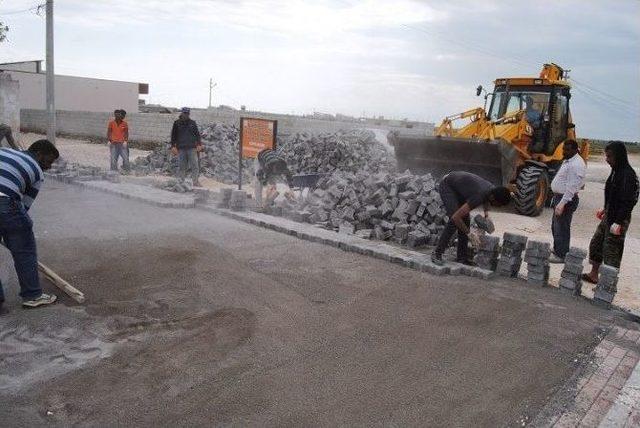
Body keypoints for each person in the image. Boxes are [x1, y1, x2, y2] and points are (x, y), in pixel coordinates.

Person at [0, 139, 60, 308]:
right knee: (24, 250)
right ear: (38, 154)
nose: (48, 167)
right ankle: (33, 295)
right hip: (5, 202)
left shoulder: (4, 151)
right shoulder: (37, 171)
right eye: (48, 161)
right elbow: (23, 207)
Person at [582, 141, 638, 286]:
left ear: (618, 156)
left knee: (612, 251)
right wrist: (605, 208)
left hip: (619, 218)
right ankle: (594, 275)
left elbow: (628, 201)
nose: (607, 159)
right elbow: (613, 195)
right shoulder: (615, 171)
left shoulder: (628, 175)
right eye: (606, 156)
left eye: (610, 157)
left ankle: (608, 284)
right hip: (609, 214)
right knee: (596, 244)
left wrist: (618, 222)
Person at [431, 171, 512, 266]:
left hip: (459, 188)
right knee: (454, 221)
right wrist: (469, 234)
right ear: (494, 199)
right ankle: (437, 253)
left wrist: (486, 215)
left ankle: (462, 258)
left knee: (465, 221)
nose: (499, 207)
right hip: (448, 185)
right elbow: (456, 217)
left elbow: (486, 199)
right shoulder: (479, 196)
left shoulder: (492, 190)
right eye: (499, 205)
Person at [549, 140, 587, 263]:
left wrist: (562, 203)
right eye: (564, 149)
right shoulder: (569, 160)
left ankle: (561, 255)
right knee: (556, 226)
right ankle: (557, 249)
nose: (565, 151)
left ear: (576, 150)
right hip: (560, 197)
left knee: (562, 227)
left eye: (568, 149)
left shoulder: (576, 164)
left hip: (566, 200)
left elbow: (572, 187)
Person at [170, 107, 203, 186]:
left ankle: (195, 181)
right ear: (181, 113)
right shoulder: (177, 123)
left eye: (187, 113)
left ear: (189, 114)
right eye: (184, 113)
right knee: (182, 166)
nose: (186, 115)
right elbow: (173, 136)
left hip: (192, 148)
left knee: (195, 165)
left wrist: (199, 144)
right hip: (181, 148)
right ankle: (181, 181)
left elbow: (197, 135)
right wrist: (173, 146)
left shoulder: (192, 123)